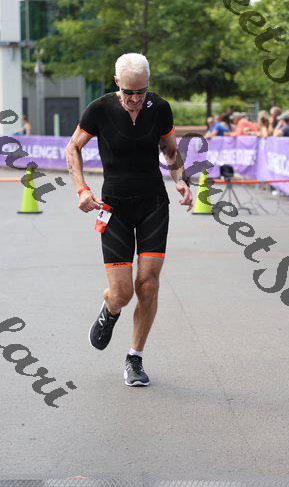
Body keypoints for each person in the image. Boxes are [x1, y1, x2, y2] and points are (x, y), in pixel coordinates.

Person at [66, 53, 193, 387]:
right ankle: (110, 309)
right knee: (122, 293)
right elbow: (73, 148)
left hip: (153, 204)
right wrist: (81, 189)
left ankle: (134, 357)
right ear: (116, 83)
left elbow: (170, 150)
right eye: (128, 92)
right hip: (114, 207)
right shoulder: (99, 109)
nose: (135, 99)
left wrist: (180, 180)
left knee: (148, 284)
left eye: (141, 92)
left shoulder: (160, 108)